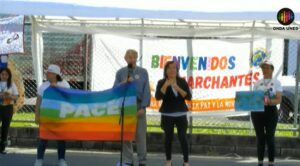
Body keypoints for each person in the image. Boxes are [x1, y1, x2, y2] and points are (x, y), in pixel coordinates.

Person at [114, 49, 151, 166]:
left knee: (140, 135)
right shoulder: (120, 73)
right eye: (129, 57)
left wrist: (143, 107)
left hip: (139, 105)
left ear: (136, 58)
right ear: (125, 59)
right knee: (126, 135)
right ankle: (127, 160)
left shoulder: (143, 72)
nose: (131, 59)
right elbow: (115, 89)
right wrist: (124, 82)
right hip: (126, 106)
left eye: (133, 57)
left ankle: (142, 160)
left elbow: (146, 90)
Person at [155, 61, 192, 166]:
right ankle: (168, 160)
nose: (172, 70)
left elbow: (188, 97)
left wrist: (177, 88)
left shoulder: (182, 81)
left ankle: (186, 161)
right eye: (169, 68)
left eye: (174, 68)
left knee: (183, 138)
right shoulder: (161, 82)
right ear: (166, 70)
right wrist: (166, 85)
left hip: (181, 114)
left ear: (177, 70)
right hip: (167, 114)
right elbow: (158, 97)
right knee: (168, 138)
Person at [34, 64, 70, 166]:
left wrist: (57, 88)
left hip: (60, 116)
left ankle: (61, 160)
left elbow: (68, 97)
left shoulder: (64, 84)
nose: (46, 74)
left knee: (61, 138)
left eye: (49, 72)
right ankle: (39, 159)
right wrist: (37, 115)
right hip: (46, 116)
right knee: (43, 138)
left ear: (55, 74)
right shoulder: (43, 86)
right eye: (47, 72)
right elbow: (38, 101)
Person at [251, 60, 282, 166]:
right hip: (257, 112)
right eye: (263, 68)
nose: (264, 69)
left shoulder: (276, 82)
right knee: (260, 137)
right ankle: (260, 162)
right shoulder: (257, 83)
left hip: (271, 112)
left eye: (267, 67)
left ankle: (271, 162)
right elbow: (253, 98)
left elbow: (278, 100)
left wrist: (269, 102)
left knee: (270, 137)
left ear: (272, 69)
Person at [0, 68, 19, 154]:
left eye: (6, 75)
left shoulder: (12, 84)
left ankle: (2, 148)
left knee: (5, 127)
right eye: (2, 74)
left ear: (9, 76)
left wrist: (9, 96)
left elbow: (16, 96)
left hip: (8, 108)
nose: (4, 76)